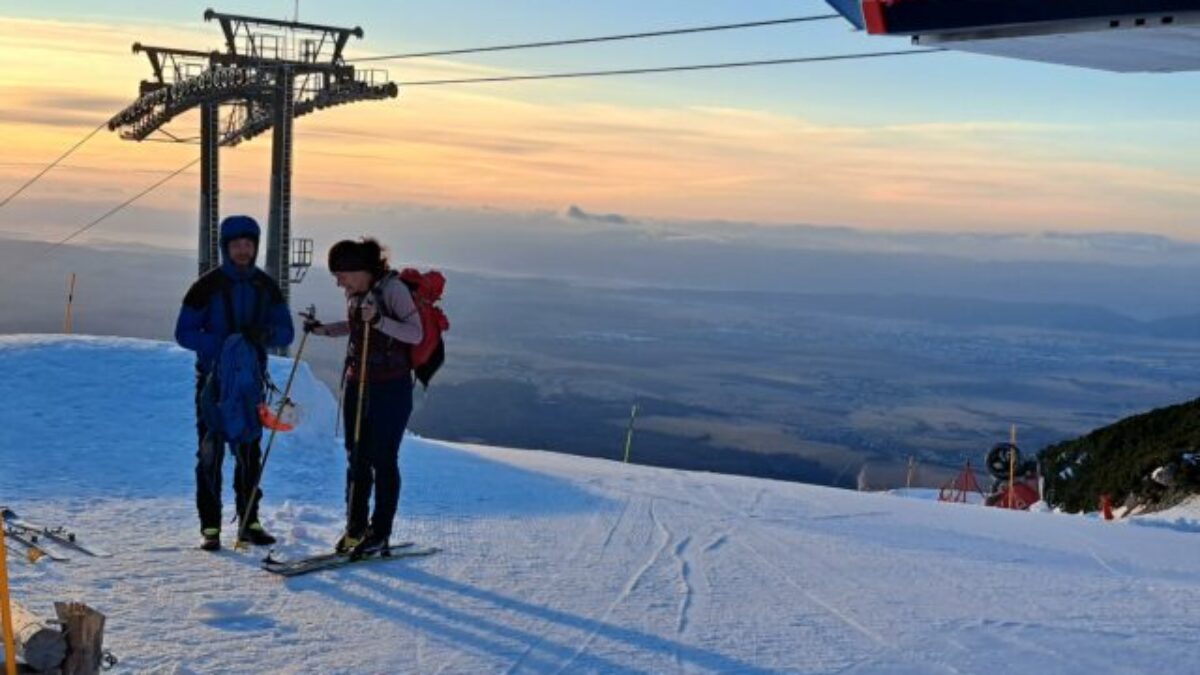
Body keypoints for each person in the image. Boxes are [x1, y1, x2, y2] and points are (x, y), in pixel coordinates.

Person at [175, 215, 295, 551]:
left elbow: (286, 331)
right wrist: (226, 344)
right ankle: (210, 527)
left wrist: (264, 335)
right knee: (210, 453)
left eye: (249, 244)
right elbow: (183, 332)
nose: (243, 250)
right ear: (225, 247)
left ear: (255, 246)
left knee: (248, 453)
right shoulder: (206, 286)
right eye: (237, 244)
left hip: (250, 384)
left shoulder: (266, 286)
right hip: (213, 383)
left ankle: (248, 522)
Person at [304, 238, 423, 555]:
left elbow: (415, 333)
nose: (338, 281)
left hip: (390, 388)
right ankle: (355, 530)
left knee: (383, 459)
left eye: (341, 274)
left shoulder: (393, 290)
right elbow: (356, 326)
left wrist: (380, 321)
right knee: (356, 457)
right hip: (359, 383)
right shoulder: (355, 293)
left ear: (360, 270)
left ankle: (379, 532)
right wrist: (323, 330)